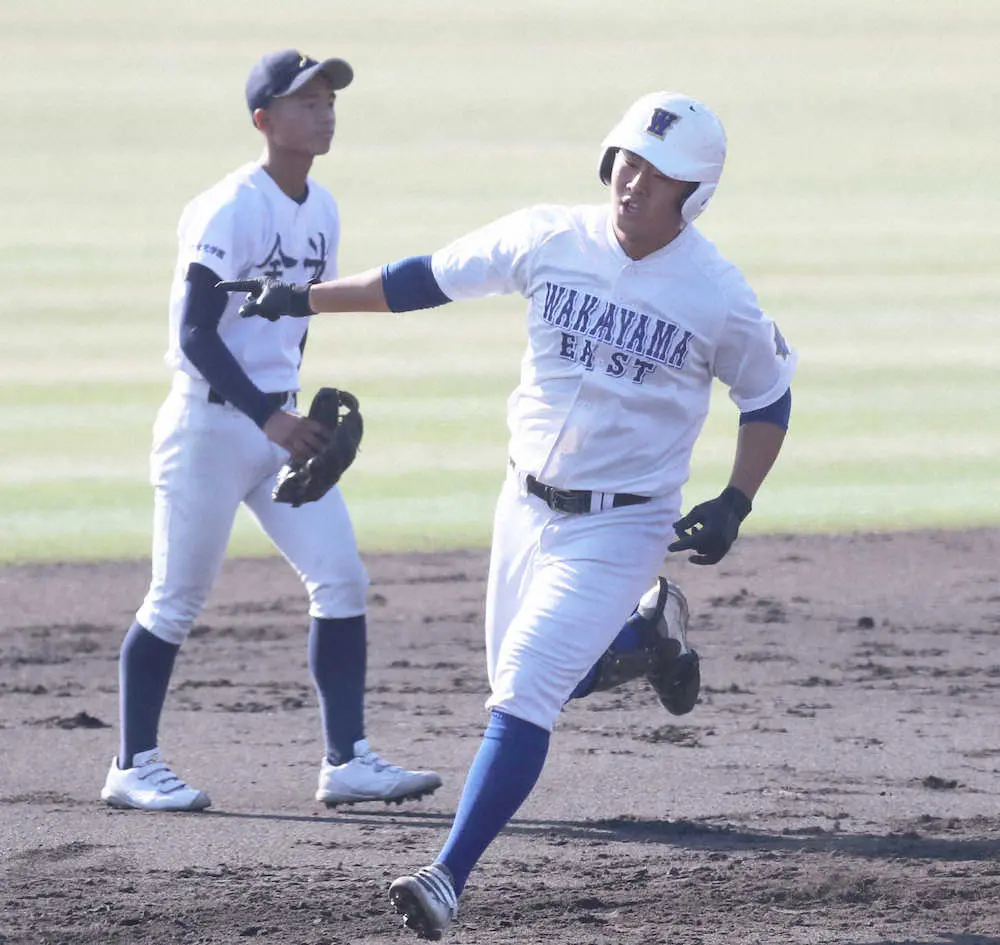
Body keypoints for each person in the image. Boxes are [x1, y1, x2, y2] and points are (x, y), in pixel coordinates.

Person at [222, 90, 796, 938]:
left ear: (693, 191)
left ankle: (446, 878)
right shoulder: (551, 235)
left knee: (524, 686)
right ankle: (652, 635)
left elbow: (770, 395)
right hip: (522, 505)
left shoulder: (716, 294)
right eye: (627, 162)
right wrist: (304, 299)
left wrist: (735, 501)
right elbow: (425, 278)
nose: (633, 182)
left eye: (657, 173)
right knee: (531, 678)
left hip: (622, 524)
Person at [100, 49, 442, 813]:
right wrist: (270, 415)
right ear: (264, 119)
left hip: (277, 431)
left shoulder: (322, 209)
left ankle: (347, 759)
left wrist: (299, 416)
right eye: (306, 101)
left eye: (329, 101)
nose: (324, 112)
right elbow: (195, 333)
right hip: (210, 430)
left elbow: (294, 319)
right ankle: (132, 763)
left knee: (342, 577)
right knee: (176, 598)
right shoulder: (230, 207)